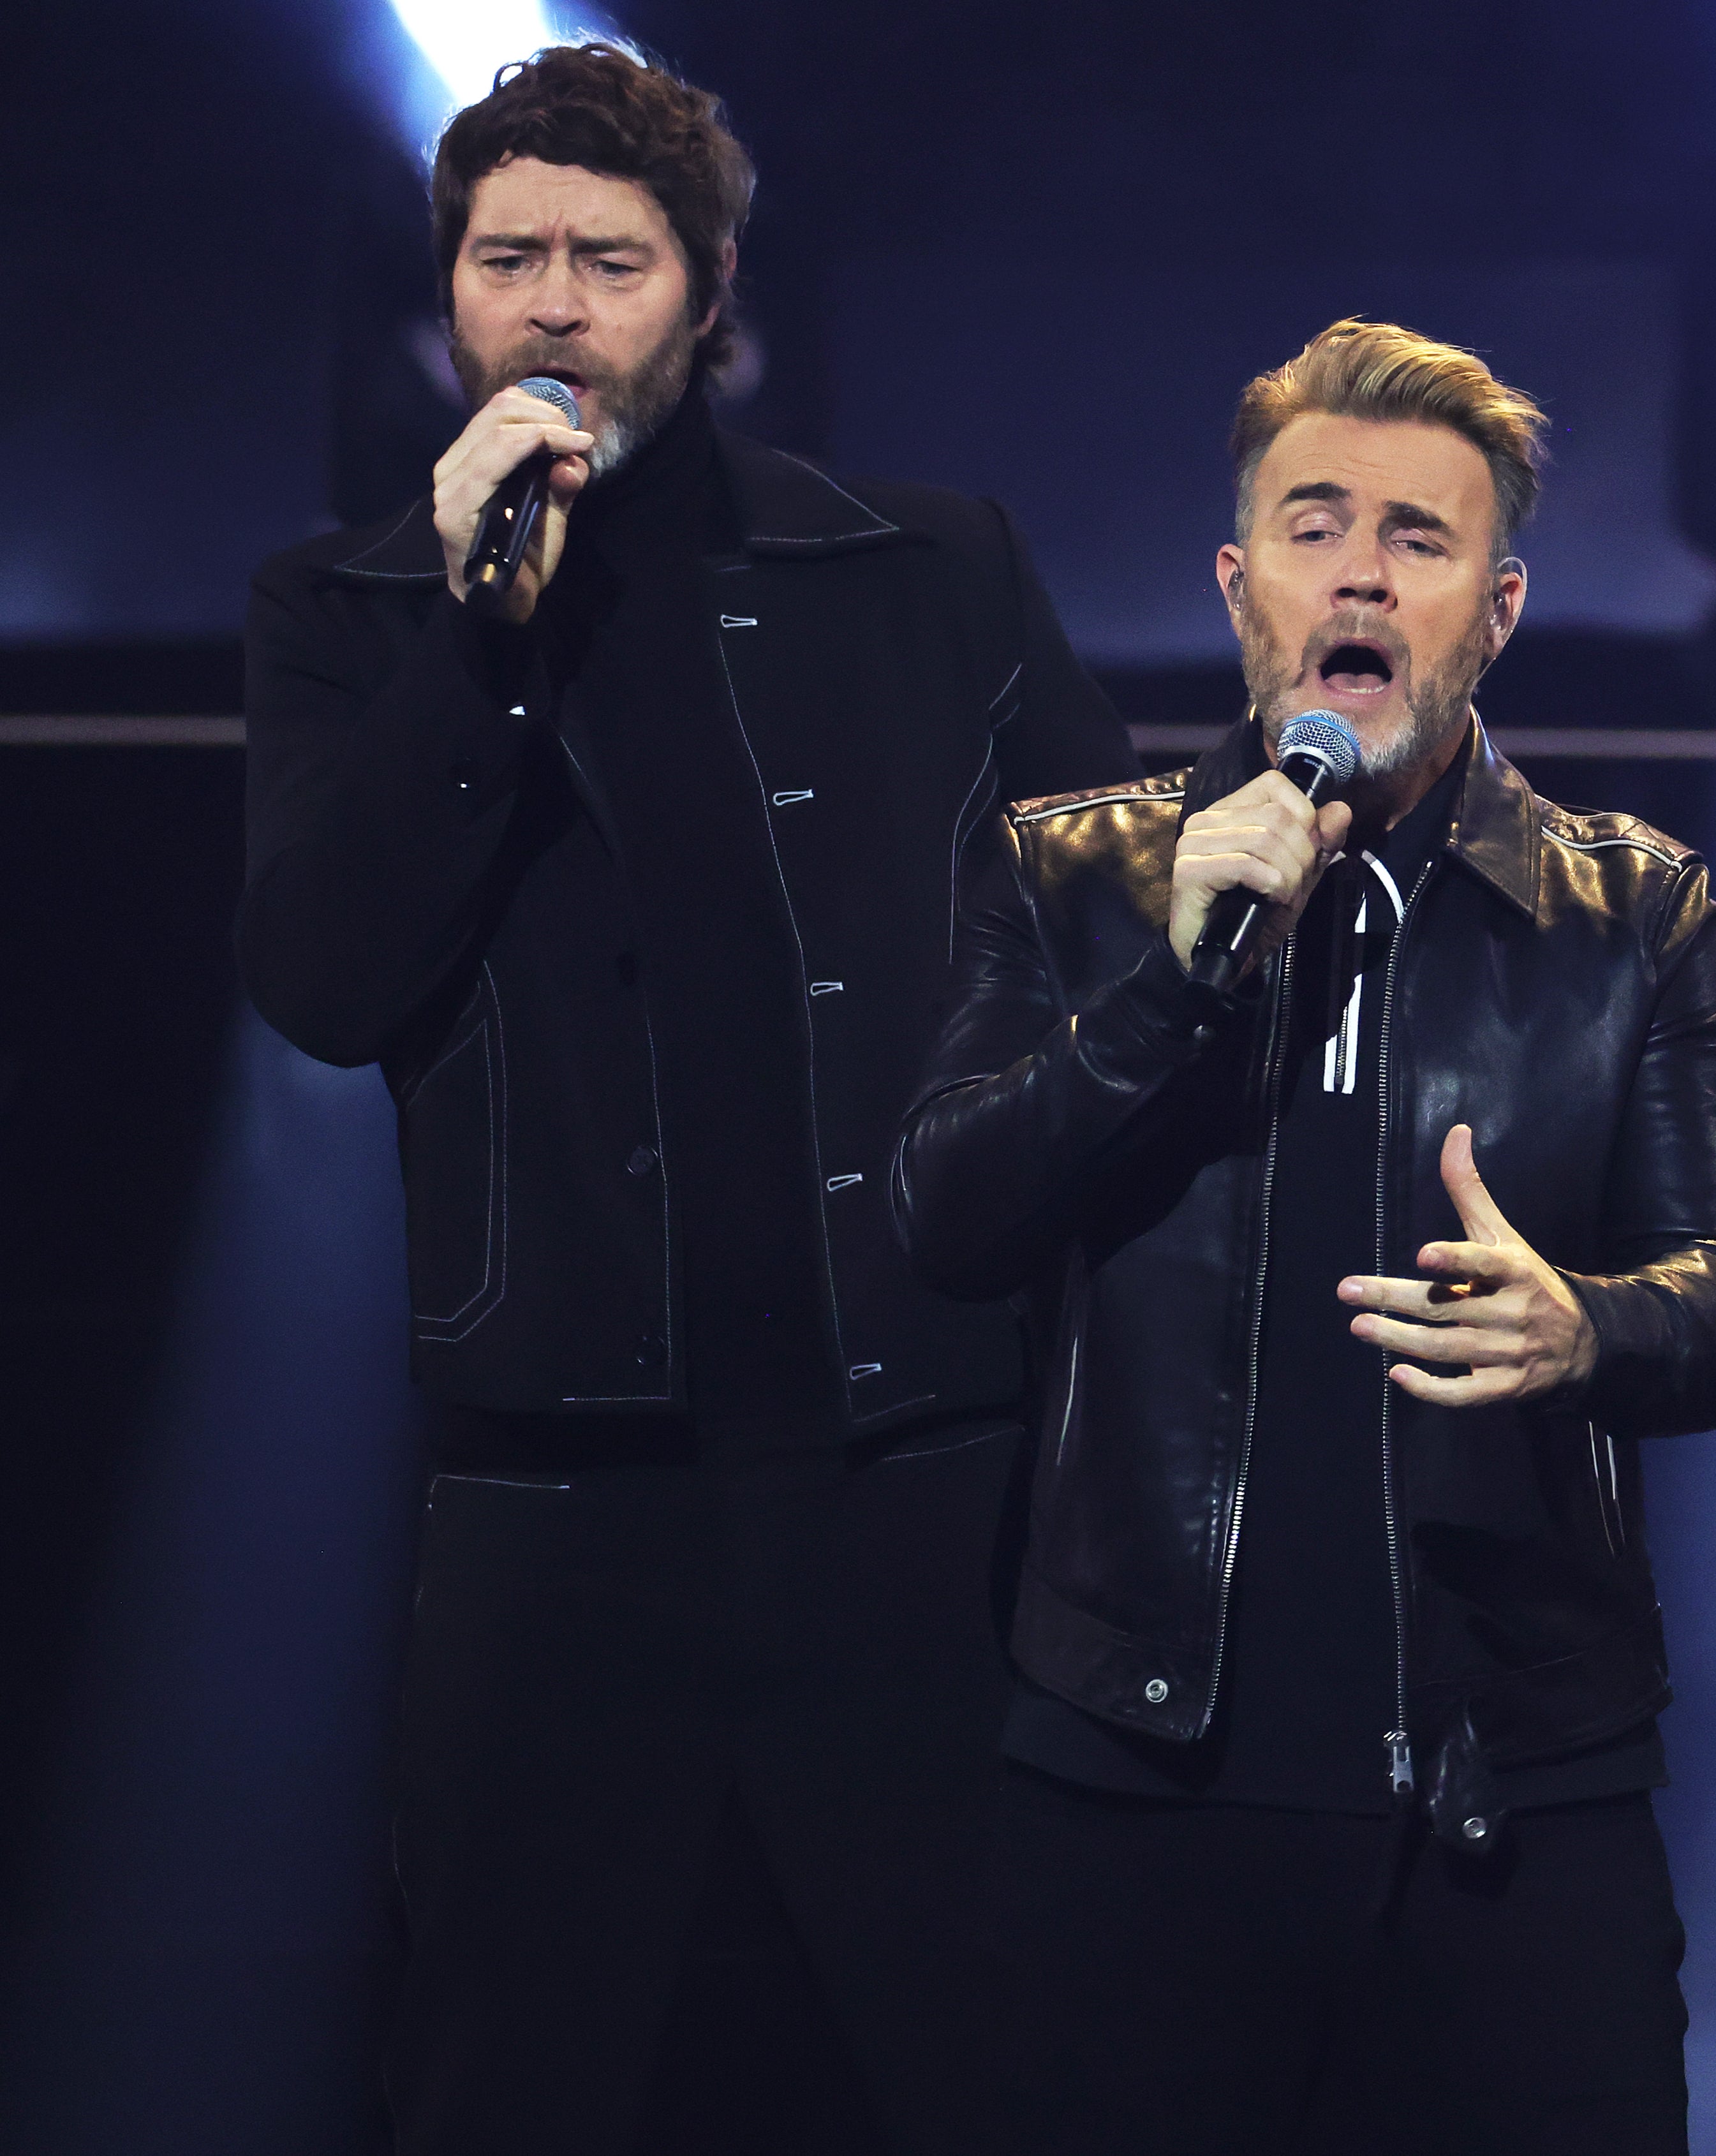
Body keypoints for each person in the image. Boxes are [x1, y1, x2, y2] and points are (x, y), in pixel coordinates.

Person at [239, 45, 1137, 2155]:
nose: (553, 305)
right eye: (508, 258)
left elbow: (1115, 946)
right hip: (554, 1504)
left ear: (710, 291)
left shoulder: (926, 571)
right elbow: (320, 982)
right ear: (447, 290)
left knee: (978, 2066)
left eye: (609, 260)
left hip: (906, 1477)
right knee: (502, 2076)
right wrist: (475, 655)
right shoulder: (352, 616)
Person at [893, 318, 1716, 2153]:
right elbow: (942, 1216)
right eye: (1315, 525)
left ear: (1501, 607)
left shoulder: (1632, 912)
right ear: (1238, 583)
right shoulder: (1068, 875)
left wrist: (1587, 1330)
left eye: (1420, 536)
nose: (1361, 570)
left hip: (1512, 1795)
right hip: (1136, 1785)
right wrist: (1165, 983)